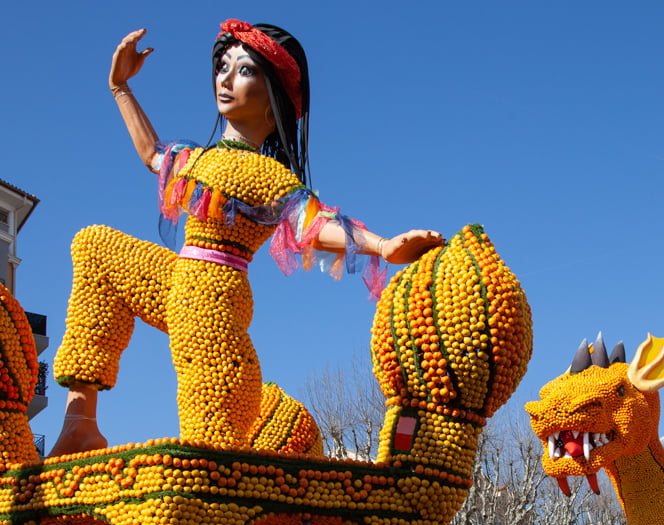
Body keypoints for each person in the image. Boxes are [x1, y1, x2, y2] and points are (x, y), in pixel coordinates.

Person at [49, 20, 443, 457]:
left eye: (245, 70)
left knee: (209, 458)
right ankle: (80, 420)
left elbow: (311, 223)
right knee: (94, 247)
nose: (226, 77)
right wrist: (120, 88)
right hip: (178, 278)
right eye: (222, 66)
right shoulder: (197, 159)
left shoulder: (270, 176)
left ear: (275, 103)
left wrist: (382, 246)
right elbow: (151, 154)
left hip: (214, 304)